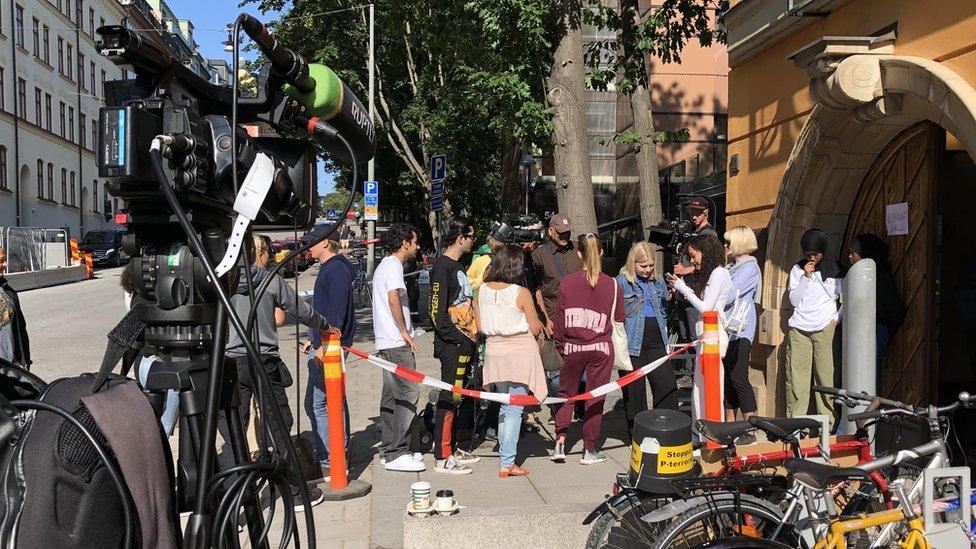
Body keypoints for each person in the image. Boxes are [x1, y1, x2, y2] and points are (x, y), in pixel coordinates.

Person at [224, 233, 335, 508]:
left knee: (235, 428)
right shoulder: (270, 280)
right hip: (264, 362)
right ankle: (296, 492)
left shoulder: (222, 281)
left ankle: (239, 497)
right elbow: (300, 309)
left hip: (232, 363)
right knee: (279, 425)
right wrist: (324, 324)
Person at [550, 234, 624, 465]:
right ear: (601, 252)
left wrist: (561, 347)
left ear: (579, 254)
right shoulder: (612, 284)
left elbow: (559, 321)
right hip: (601, 348)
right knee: (595, 397)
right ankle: (589, 449)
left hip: (572, 347)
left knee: (566, 395)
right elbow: (620, 318)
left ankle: (560, 441)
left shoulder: (568, 282)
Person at [475, 245, 547, 478]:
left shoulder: (481, 290)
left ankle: (506, 455)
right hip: (519, 351)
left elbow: (479, 325)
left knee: (505, 403)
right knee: (515, 407)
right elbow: (535, 326)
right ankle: (507, 461)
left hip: (495, 350)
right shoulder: (520, 292)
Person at [301, 228, 357, 476]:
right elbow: (324, 311)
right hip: (325, 344)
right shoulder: (331, 268)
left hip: (331, 346)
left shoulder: (335, 270)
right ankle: (339, 452)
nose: (307, 247)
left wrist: (324, 346)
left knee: (317, 404)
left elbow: (335, 314)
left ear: (325, 243)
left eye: (311, 243)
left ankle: (330, 458)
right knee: (332, 401)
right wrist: (312, 340)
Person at [429, 217, 480, 475]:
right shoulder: (442, 267)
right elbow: (436, 313)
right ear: (461, 238)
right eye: (471, 237)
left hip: (465, 342)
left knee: (458, 396)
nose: (473, 241)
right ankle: (442, 455)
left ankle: (453, 446)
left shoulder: (457, 265)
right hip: (453, 345)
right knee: (449, 396)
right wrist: (458, 339)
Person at [372, 223, 425, 472]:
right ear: (405, 243)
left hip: (387, 342)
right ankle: (397, 451)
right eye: (415, 242)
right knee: (409, 393)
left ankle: (388, 449)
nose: (417, 246)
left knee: (391, 396)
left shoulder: (385, 265)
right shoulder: (393, 266)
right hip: (395, 342)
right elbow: (394, 297)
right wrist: (404, 331)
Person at [668, 235, 733, 422]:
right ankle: (700, 432)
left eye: (694, 255)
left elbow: (706, 308)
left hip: (713, 337)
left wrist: (684, 289)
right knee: (699, 388)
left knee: (710, 387)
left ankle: (712, 433)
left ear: (706, 253)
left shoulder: (719, 273)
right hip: (705, 336)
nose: (692, 261)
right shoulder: (713, 274)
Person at [615, 242, 675, 437]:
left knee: (666, 385)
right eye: (643, 266)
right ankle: (637, 435)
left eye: (651, 265)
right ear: (633, 262)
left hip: (656, 341)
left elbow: (664, 309)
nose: (648, 270)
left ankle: (666, 428)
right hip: (632, 344)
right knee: (634, 392)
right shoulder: (621, 282)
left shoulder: (657, 281)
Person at [784, 228, 841, 424]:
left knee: (825, 378)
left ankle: (827, 423)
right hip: (799, 329)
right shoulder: (797, 270)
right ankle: (798, 424)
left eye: (815, 254)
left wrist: (836, 319)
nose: (812, 258)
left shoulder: (835, 271)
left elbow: (846, 298)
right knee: (797, 381)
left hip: (824, 328)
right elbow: (794, 300)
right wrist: (805, 278)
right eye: (808, 254)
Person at [847, 233, 905, 375]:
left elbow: (894, 308)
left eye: (853, 253)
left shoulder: (880, 277)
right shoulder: (854, 275)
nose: (849, 257)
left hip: (875, 330)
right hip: (858, 330)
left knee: (867, 372)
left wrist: (884, 329)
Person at [723, 226, 762, 431]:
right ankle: (731, 425)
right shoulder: (732, 267)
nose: (726, 246)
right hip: (728, 331)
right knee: (728, 378)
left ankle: (751, 426)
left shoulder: (748, 268)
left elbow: (729, 294)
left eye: (729, 242)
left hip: (741, 330)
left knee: (738, 377)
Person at [0, 248, 30, 369]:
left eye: (5, 260)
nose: (5, 265)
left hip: (11, 366)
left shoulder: (9, 292)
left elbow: (21, 327)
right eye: (1, 261)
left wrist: (26, 358)